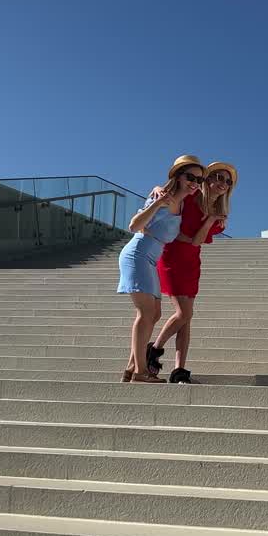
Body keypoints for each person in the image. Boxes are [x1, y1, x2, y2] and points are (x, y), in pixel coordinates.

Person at [116, 154, 204, 383]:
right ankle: (140, 373)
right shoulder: (162, 197)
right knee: (146, 313)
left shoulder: (183, 203)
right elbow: (134, 225)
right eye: (190, 176)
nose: (195, 182)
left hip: (151, 259)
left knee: (154, 313)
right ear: (177, 176)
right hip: (138, 255)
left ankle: (131, 367)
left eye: (199, 179)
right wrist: (156, 202)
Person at [147, 161, 235, 384]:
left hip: (191, 263)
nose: (222, 183)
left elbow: (196, 241)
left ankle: (179, 371)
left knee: (186, 320)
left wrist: (212, 219)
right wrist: (158, 188)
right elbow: (170, 190)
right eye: (217, 177)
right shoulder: (190, 198)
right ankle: (154, 350)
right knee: (183, 313)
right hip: (171, 259)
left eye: (227, 181)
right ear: (207, 179)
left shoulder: (218, 216)